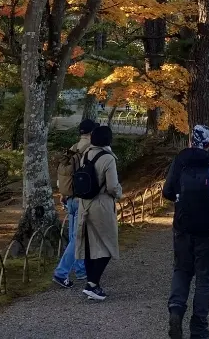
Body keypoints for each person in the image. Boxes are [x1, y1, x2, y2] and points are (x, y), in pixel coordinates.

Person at [164, 124, 209, 339]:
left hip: (182, 228)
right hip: (207, 229)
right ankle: (199, 327)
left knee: (182, 270)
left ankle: (176, 311)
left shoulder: (180, 161)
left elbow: (167, 191)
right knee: (205, 278)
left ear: (190, 141)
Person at [74, 124, 121, 301]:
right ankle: (92, 284)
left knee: (89, 246)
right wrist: (120, 193)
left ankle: (92, 283)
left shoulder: (86, 153)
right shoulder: (108, 158)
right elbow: (112, 186)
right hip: (101, 204)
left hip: (84, 204)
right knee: (108, 244)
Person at [53, 117, 97, 288]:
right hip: (82, 199)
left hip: (69, 198)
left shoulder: (73, 148)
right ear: (92, 132)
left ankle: (80, 270)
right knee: (78, 239)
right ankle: (61, 272)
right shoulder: (90, 150)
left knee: (74, 237)